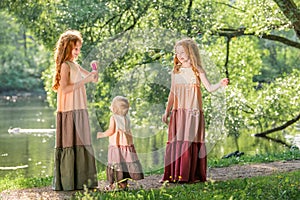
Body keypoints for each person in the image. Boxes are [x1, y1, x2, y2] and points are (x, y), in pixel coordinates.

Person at [161, 38, 229, 183]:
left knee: (189, 141)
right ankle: (174, 175)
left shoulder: (197, 70)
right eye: (177, 52)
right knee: (177, 140)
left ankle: (188, 175)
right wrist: (167, 111)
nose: (179, 55)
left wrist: (220, 84)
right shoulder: (176, 72)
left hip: (193, 111)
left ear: (190, 52)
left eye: (183, 51)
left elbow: (209, 88)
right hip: (178, 112)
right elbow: (172, 93)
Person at [52, 30, 98, 191]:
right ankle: (68, 181)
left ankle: (83, 180)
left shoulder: (75, 65)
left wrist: (94, 72)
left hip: (80, 109)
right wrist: (85, 80)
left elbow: (93, 79)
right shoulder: (65, 66)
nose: (78, 52)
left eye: (79, 48)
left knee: (81, 141)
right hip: (69, 110)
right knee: (70, 142)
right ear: (67, 48)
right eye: (75, 49)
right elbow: (64, 88)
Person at [97, 96, 144, 190]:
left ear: (114, 108)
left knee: (116, 164)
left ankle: (113, 185)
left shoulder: (113, 118)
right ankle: (123, 185)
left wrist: (101, 134)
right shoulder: (126, 118)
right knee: (124, 164)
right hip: (126, 147)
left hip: (116, 146)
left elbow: (111, 131)